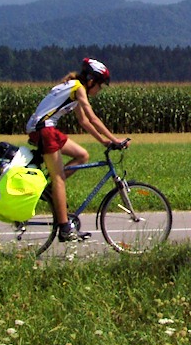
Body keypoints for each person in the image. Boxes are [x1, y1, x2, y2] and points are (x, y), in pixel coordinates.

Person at [26, 57, 128, 242]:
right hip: (44, 130)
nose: (99, 90)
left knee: (82, 155)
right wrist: (115, 140)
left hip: (47, 129)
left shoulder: (75, 88)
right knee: (59, 178)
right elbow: (93, 117)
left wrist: (104, 142)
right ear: (91, 81)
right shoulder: (78, 88)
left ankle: (52, 191)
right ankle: (65, 228)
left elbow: (84, 121)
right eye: (100, 86)